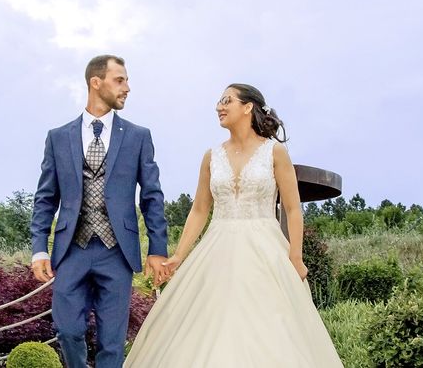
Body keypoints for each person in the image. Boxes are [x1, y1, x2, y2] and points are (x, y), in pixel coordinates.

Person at [124, 83, 344, 367]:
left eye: (227, 101)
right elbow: (200, 210)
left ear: (248, 107)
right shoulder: (211, 156)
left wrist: (296, 256)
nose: (219, 106)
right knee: (209, 324)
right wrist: (179, 255)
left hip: (265, 249)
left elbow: (292, 208)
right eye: (219, 101)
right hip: (217, 247)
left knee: (270, 325)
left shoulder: (274, 153)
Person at [30, 55, 170, 368]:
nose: (127, 88)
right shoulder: (58, 137)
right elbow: (45, 198)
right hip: (71, 251)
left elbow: (152, 196)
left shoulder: (138, 136)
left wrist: (157, 249)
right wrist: (39, 249)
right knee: (67, 330)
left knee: (112, 342)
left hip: (117, 252)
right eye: (120, 80)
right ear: (97, 82)